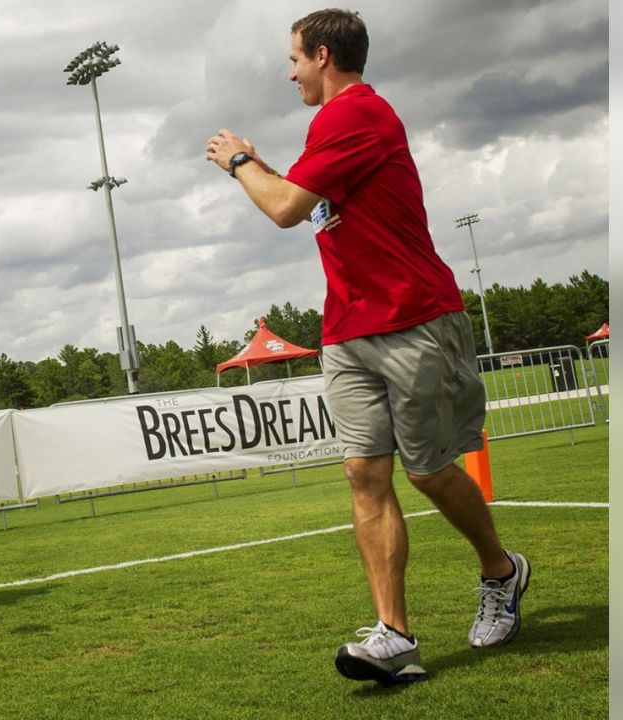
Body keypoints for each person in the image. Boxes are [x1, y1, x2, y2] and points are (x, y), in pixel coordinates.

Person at [205, 8, 529, 684]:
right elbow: (306, 201)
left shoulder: (355, 114)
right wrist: (262, 166)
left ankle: (501, 572)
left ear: (323, 56)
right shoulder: (333, 127)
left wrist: (238, 161)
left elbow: (286, 208)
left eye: (294, 58)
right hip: (349, 330)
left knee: (429, 472)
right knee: (363, 474)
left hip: (413, 320)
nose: (288, 70)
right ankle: (395, 639)